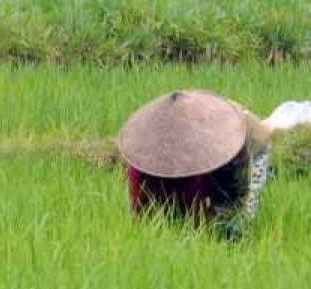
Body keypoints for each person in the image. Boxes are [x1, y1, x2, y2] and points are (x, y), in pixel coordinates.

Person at [117, 90, 311, 236]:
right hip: (217, 151)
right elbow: (140, 216)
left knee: (236, 224)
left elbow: (204, 215)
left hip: (245, 148)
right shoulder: (140, 164)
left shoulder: (214, 148)